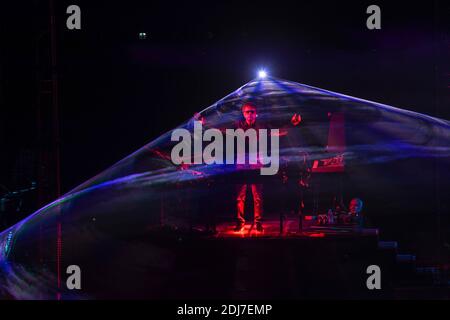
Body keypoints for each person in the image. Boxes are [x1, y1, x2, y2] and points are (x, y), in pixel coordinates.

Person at [234, 101, 264, 232]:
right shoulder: (238, 126)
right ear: (243, 113)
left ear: (256, 113)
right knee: (240, 195)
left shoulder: (261, 126)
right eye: (247, 112)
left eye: (252, 112)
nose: (250, 114)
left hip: (256, 164)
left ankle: (258, 222)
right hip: (242, 164)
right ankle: (240, 222)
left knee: (257, 195)